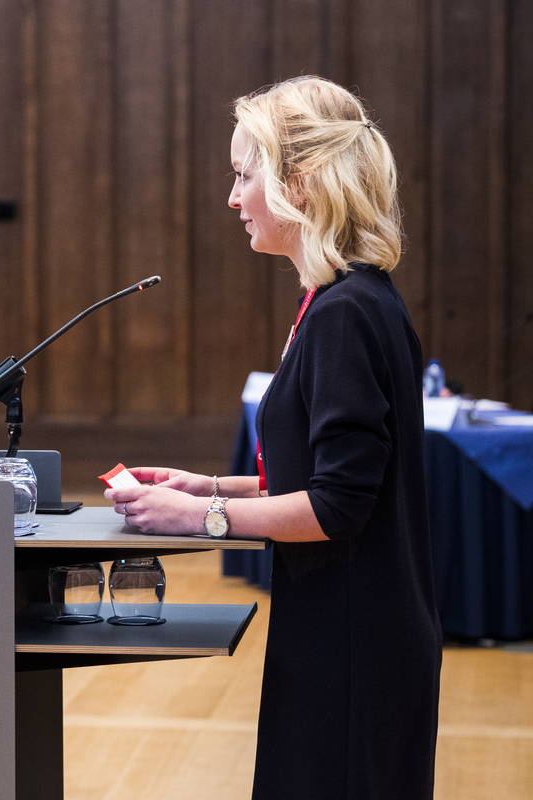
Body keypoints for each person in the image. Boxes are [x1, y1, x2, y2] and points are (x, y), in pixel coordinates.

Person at [103, 76, 441, 799]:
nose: (233, 199)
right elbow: (334, 477)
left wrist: (199, 519)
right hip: (345, 625)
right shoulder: (340, 297)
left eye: (243, 175)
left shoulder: (345, 313)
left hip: (354, 640)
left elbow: (339, 508)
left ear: (302, 183)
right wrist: (211, 485)